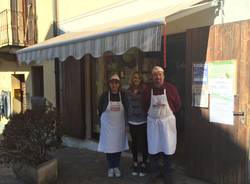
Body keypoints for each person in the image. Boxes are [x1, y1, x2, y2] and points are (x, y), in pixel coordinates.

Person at [144, 66, 181, 184]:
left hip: (167, 123)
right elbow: (144, 105)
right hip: (153, 124)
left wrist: (166, 117)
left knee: (167, 148)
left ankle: (168, 174)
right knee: (153, 149)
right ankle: (154, 173)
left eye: (160, 74)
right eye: (155, 75)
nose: (157, 77)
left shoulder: (171, 89)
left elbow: (178, 104)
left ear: (163, 76)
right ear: (152, 77)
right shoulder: (147, 90)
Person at [97, 73, 129, 178]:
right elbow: (100, 110)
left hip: (119, 126)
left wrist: (127, 124)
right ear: (109, 84)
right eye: (112, 82)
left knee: (118, 146)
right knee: (109, 147)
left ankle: (116, 166)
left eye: (116, 82)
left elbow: (127, 110)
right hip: (108, 126)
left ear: (119, 84)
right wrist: (100, 124)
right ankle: (111, 167)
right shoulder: (104, 96)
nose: (114, 85)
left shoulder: (123, 95)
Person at [125, 71, 148, 177]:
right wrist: (126, 123)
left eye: (138, 78)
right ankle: (135, 162)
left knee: (143, 143)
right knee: (134, 143)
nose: (136, 79)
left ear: (141, 79)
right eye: (135, 78)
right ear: (132, 79)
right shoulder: (127, 91)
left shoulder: (144, 90)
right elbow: (126, 106)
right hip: (132, 120)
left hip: (143, 120)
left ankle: (143, 163)